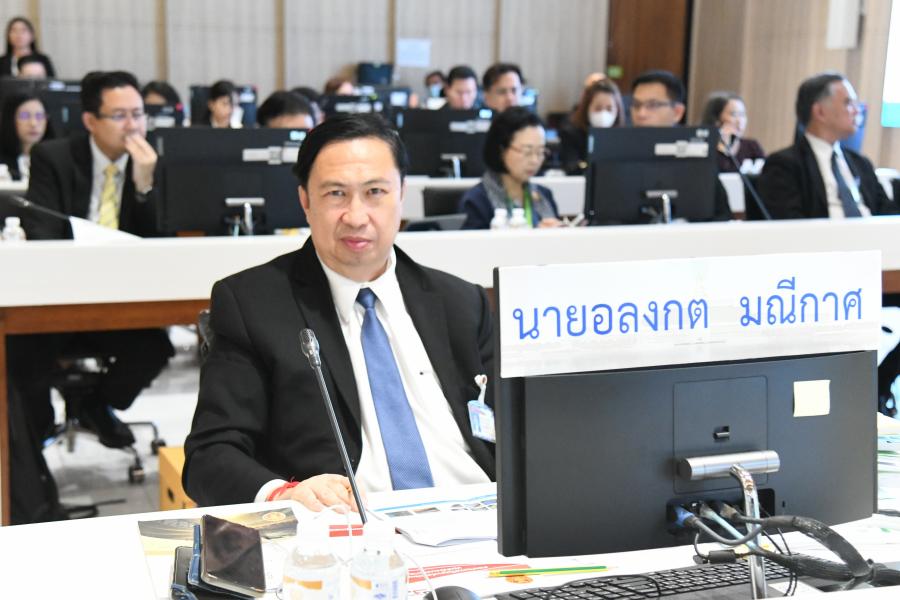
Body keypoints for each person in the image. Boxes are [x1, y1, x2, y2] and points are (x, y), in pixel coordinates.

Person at [183, 113, 494, 508]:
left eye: (375, 192)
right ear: (305, 201)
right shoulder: (252, 304)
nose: (356, 217)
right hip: (348, 525)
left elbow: (516, 428)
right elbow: (210, 455)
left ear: (402, 194)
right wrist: (284, 494)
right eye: (336, 194)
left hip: (481, 512)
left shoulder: (461, 302)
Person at [12, 70, 174, 448]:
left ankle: (95, 404)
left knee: (153, 349)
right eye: (120, 116)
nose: (133, 125)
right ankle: (32, 449)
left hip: (123, 297)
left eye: (138, 114)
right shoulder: (54, 157)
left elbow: (162, 242)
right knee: (22, 356)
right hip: (59, 296)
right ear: (90, 121)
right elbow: (41, 230)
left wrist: (144, 186)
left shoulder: (157, 162)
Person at [758, 71, 896, 219]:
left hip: (872, 232)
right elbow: (790, 224)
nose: (856, 111)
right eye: (848, 103)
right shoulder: (784, 165)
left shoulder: (862, 164)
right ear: (820, 112)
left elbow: (888, 215)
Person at [630, 70, 733, 221]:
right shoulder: (617, 153)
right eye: (636, 105)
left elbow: (722, 216)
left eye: (652, 105)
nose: (641, 114)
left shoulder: (696, 156)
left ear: (677, 112)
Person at [459, 107, 561, 229]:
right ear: (502, 149)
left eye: (540, 151)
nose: (534, 160)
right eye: (527, 151)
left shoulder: (544, 195)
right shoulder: (477, 201)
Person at [558, 78, 625, 174]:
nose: (604, 114)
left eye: (609, 109)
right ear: (587, 108)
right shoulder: (570, 133)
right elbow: (571, 166)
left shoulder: (622, 136)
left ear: (617, 110)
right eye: (598, 108)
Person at [700, 92, 765, 173]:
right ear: (716, 119)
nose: (740, 121)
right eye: (734, 114)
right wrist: (724, 147)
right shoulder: (703, 148)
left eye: (742, 114)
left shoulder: (752, 146)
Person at [0, 93, 52, 180]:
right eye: (24, 116)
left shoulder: (56, 159)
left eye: (39, 116)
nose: (33, 123)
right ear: (10, 119)